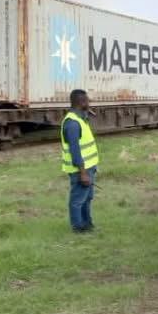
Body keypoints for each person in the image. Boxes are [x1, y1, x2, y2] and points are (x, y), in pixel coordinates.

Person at [60, 89, 99, 233]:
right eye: (88, 101)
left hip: (88, 167)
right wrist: (83, 173)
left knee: (87, 198)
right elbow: (75, 150)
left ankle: (87, 224)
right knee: (78, 200)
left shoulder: (81, 119)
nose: (89, 103)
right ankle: (78, 228)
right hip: (80, 169)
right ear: (82, 102)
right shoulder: (73, 123)